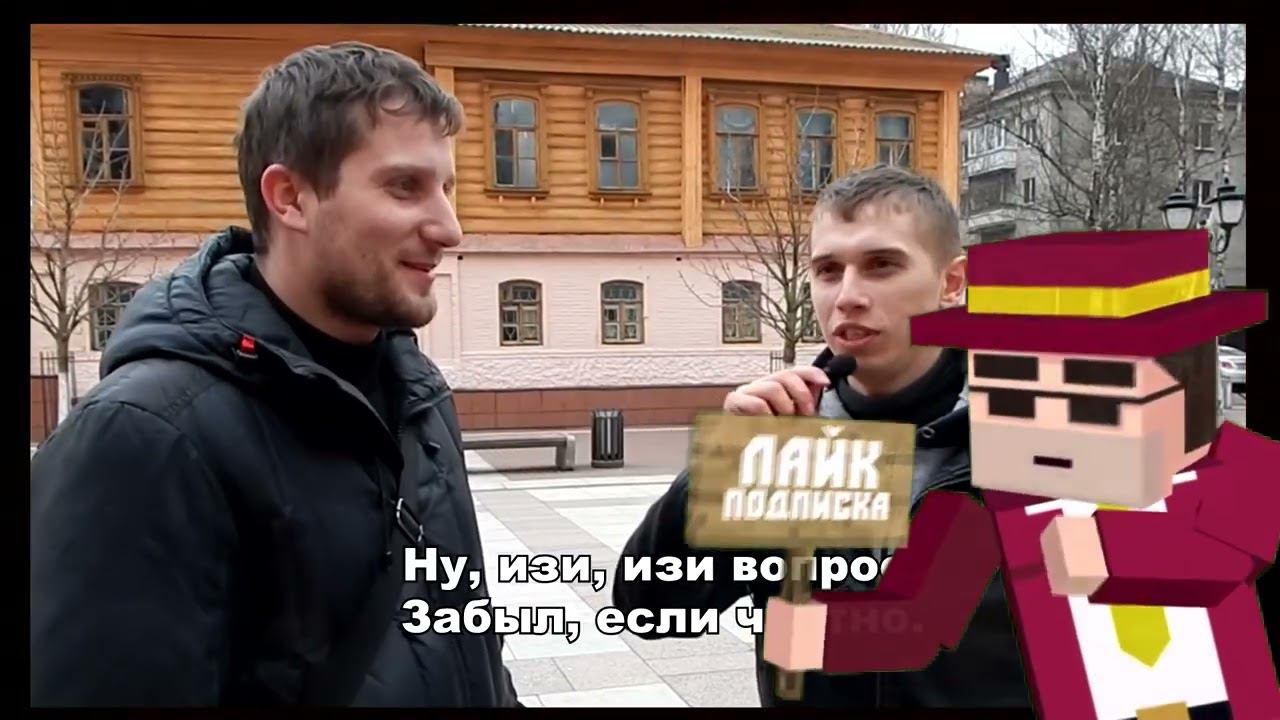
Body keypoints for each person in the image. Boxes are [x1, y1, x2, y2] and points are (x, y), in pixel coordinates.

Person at [30, 42, 519, 707]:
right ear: (290, 198)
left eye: (446, 189)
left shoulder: (417, 395)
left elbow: (462, 644)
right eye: (405, 187)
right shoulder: (142, 438)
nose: (449, 228)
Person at [611, 165, 1031, 708]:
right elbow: (651, 608)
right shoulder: (788, 439)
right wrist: (721, 472)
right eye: (829, 270)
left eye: (882, 266)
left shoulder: (1043, 435)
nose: (848, 295)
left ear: (952, 283)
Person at [909, 229, 1278, 719]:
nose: (1050, 426)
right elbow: (916, 618)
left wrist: (1112, 548)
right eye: (1012, 399)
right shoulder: (984, 505)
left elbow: (1232, 550)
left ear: (1186, 381)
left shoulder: (1240, 464)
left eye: (1092, 397)